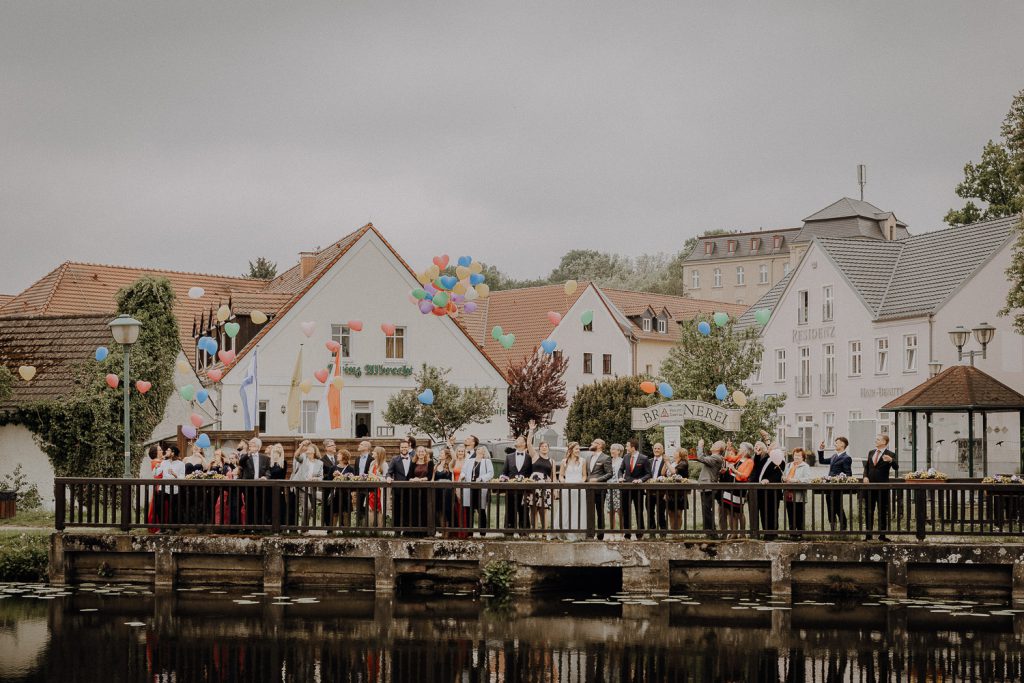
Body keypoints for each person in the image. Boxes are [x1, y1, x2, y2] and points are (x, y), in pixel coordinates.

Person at [863, 434, 898, 541]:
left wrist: (891, 460)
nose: (876, 440)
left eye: (878, 439)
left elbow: (896, 467)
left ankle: (882, 535)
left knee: (882, 511)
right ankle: (868, 535)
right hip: (870, 487)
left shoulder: (890, 454)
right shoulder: (871, 452)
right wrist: (865, 476)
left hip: (883, 487)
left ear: (884, 442)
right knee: (869, 510)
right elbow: (867, 467)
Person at [753, 431, 785, 540]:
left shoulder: (780, 460)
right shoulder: (766, 458)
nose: (769, 448)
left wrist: (768, 480)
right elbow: (757, 468)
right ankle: (766, 532)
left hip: (772, 491)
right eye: (769, 447)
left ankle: (772, 533)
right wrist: (757, 455)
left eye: (772, 447)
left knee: (772, 512)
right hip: (762, 491)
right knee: (763, 512)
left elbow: (778, 474)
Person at [818, 437, 853, 530]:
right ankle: (833, 528)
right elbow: (821, 461)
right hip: (829, 487)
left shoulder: (846, 458)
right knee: (830, 508)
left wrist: (839, 479)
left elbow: (848, 474)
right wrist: (821, 449)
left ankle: (843, 528)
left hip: (838, 488)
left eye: (837, 443)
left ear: (842, 444)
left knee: (838, 507)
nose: (835, 444)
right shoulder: (834, 456)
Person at [555, 442, 588, 541]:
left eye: (579, 449)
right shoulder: (564, 461)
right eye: (576, 449)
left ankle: (577, 531)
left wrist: (581, 482)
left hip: (579, 488)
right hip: (567, 487)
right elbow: (560, 475)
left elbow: (584, 475)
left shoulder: (583, 461)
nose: (578, 451)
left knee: (577, 509)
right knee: (566, 508)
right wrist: (562, 481)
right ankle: (565, 530)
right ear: (571, 450)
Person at [721, 442, 755, 538]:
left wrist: (734, 470)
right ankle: (734, 532)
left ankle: (742, 533)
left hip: (739, 488)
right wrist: (727, 449)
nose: (739, 450)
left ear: (745, 451)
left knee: (739, 511)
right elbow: (728, 458)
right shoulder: (739, 458)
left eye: (740, 448)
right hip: (731, 486)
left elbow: (745, 476)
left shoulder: (750, 461)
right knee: (730, 511)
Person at [525, 421, 554, 530]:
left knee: (544, 510)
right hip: (534, 485)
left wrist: (554, 490)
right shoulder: (535, 456)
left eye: (546, 446)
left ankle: (545, 532)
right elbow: (528, 444)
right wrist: (531, 430)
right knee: (534, 510)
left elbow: (553, 477)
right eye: (542, 446)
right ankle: (535, 531)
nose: (544, 448)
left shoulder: (552, 461)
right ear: (539, 448)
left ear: (548, 448)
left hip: (545, 487)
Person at [459, 445, 494, 536]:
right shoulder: (469, 461)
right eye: (477, 449)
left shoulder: (486, 461)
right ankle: (469, 532)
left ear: (484, 452)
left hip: (480, 488)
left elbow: (490, 473)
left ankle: (482, 532)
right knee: (469, 510)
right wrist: (462, 475)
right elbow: (463, 470)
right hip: (469, 487)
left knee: (481, 510)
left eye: (480, 449)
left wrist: (482, 478)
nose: (478, 450)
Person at [503, 434, 533, 533]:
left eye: (520, 440)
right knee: (510, 510)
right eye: (517, 439)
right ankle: (509, 531)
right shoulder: (508, 457)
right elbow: (504, 473)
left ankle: (524, 531)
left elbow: (531, 473)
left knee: (524, 510)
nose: (517, 441)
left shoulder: (529, 458)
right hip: (511, 489)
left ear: (524, 444)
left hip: (524, 490)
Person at [695, 439, 725, 538]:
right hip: (707, 486)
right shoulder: (714, 457)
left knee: (707, 510)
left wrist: (700, 446)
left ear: (718, 448)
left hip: (709, 487)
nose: (712, 444)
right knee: (706, 510)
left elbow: (700, 458)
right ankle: (709, 532)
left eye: (715, 444)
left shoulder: (716, 458)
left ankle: (712, 533)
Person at [621, 439, 651, 539]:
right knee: (626, 511)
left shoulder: (644, 458)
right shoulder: (625, 457)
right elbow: (621, 470)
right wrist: (620, 477)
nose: (626, 448)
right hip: (626, 488)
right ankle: (627, 533)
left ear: (633, 447)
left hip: (638, 489)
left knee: (639, 510)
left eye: (627, 446)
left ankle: (640, 532)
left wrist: (641, 480)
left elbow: (648, 474)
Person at [585, 438, 612, 539]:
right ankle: (590, 534)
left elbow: (610, 473)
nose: (592, 444)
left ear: (600, 445)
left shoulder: (606, 458)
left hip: (600, 490)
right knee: (589, 511)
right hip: (588, 489)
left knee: (600, 511)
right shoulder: (588, 457)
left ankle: (600, 534)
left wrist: (597, 480)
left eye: (594, 443)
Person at [782, 448, 813, 533]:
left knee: (799, 515)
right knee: (790, 514)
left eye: (799, 456)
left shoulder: (805, 466)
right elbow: (784, 475)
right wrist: (784, 478)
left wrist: (796, 480)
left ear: (803, 457)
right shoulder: (788, 465)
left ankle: (800, 532)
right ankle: (792, 532)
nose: (796, 457)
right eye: (795, 455)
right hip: (788, 493)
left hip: (799, 495)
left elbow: (808, 479)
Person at [408, 446, 435, 536]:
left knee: (424, 509)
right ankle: (415, 531)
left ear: (425, 452)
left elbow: (430, 476)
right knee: (414, 509)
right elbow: (409, 476)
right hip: (414, 490)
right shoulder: (413, 462)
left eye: (422, 451)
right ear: (416, 453)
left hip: (425, 490)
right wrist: (414, 479)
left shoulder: (430, 463)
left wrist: (422, 479)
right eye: (419, 451)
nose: (421, 453)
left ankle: (424, 531)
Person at [156, 446, 185, 529]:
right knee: (159, 506)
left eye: (168, 450)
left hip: (175, 489)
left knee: (173, 509)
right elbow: (155, 474)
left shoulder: (181, 464)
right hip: (164, 488)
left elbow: (183, 477)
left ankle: (173, 528)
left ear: (173, 453)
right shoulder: (164, 462)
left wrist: (175, 474)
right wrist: (157, 467)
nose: (165, 451)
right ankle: (162, 527)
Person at [389, 437, 415, 531]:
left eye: (405, 447)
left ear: (409, 447)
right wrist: (388, 477)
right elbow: (389, 472)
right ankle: (397, 530)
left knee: (409, 509)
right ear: (399, 448)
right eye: (402, 447)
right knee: (397, 509)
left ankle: (408, 530)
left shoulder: (413, 459)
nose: (404, 449)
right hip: (398, 490)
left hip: (410, 489)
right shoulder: (395, 459)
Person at [644, 442, 670, 537]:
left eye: (659, 448)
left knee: (661, 513)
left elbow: (668, 476)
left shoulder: (665, 462)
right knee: (650, 513)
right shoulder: (649, 461)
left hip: (661, 492)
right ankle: (652, 532)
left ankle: (663, 533)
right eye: (655, 448)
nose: (656, 450)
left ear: (662, 450)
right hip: (649, 491)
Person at [665, 447, 691, 531]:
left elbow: (673, 472)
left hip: (680, 492)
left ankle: (677, 531)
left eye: (676, 451)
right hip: (671, 491)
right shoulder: (673, 462)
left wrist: (667, 462)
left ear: (680, 454)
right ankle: (673, 531)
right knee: (670, 512)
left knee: (678, 513)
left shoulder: (684, 463)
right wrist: (666, 463)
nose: (674, 452)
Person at [433, 448, 456, 535]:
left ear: (446, 455)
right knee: (439, 511)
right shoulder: (436, 466)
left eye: (441, 453)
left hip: (447, 492)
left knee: (446, 510)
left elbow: (454, 458)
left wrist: (450, 446)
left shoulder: (449, 465)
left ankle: (447, 532)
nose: (440, 454)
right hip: (437, 491)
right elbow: (432, 479)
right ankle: (442, 531)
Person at [333, 449, 357, 529]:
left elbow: (352, 480)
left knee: (346, 512)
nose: (337, 455)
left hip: (346, 494)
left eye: (339, 454)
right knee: (335, 512)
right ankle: (332, 530)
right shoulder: (333, 468)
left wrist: (341, 476)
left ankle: (346, 531)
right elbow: (328, 479)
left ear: (344, 457)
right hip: (335, 494)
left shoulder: (350, 469)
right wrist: (333, 476)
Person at [352, 440, 374, 526]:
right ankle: (359, 527)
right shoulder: (357, 459)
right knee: (359, 507)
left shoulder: (372, 459)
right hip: (358, 487)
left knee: (368, 508)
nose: (359, 445)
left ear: (366, 447)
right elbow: (355, 473)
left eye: (361, 444)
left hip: (369, 487)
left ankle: (367, 527)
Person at [367, 445, 389, 528]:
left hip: (380, 490)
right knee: (370, 508)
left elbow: (385, 478)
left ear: (378, 454)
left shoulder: (384, 464)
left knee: (380, 510)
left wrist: (375, 476)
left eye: (374, 451)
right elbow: (370, 475)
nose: (372, 452)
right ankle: (370, 529)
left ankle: (380, 529)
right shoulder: (372, 463)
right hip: (372, 490)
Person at [450, 443, 469, 537]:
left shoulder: (467, 462)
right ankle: (455, 531)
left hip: (463, 487)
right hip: (454, 486)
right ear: (456, 453)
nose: (460, 453)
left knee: (462, 509)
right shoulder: (454, 461)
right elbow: (452, 473)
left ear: (464, 453)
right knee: (455, 508)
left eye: (462, 451)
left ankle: (463, 532)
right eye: (459, 451)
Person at [606, 443, 625, 532]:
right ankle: (612, 531)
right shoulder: (608, 461)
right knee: (610, 511)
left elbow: (623, 473)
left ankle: (622, 531)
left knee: (619, 510)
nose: (612, 451)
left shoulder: (622, 461)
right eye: (611, 449)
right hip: (609, 488)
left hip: (618, 488)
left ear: (619, 451)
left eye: (614, 449)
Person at [267, 444, 287, 526]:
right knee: (269, 505)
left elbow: (281, 474)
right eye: (275, 451)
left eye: (278, 452)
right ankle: (269, 523)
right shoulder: (268, 462)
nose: (276, 454)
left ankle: (281, 524)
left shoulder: (283, 463)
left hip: (279, 488)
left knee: (280, 506)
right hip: (269, 488)